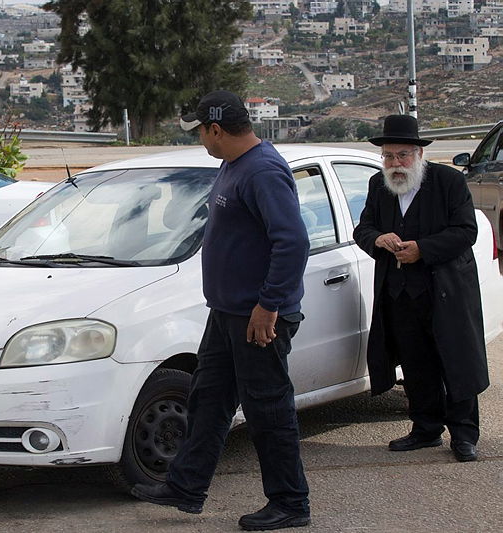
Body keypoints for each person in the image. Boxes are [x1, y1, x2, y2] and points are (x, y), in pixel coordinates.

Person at [131, 91, 311, 531]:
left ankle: (290, 503)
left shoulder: (263, 171)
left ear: (216, 129)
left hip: (257, 317)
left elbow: (293, 243)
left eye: (201, 132)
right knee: (209, 400)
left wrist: (268, 305)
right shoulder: (233, 167)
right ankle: (185, 486)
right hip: (227, 312)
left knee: (268, 411)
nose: (200, 141)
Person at [353, 114, 488, 463]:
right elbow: (363, 229)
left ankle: (463, 434)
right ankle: (425, 429)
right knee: (415, 363)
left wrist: (423, 250)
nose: (395, 163)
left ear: (419, 155)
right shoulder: (378, 185)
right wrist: (378, 239)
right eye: (388, 156)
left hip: (443, 291)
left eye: (402, 155)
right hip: (398, 294)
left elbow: (465, 231)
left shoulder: (448, 182)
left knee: (453, 361)